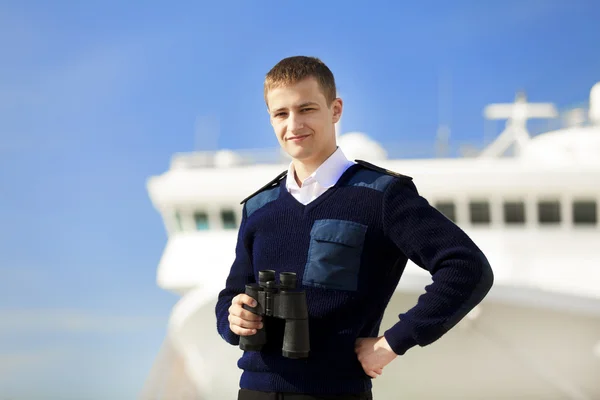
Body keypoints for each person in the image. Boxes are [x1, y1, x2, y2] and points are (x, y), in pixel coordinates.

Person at [215, 56, 494, 399]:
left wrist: (394, 341)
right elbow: (230, 295)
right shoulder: (258, 207)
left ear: (335, 110)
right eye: (281, 114)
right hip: (253, 392)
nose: (294, 124)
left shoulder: (382, 196)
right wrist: (233, 319)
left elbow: (467, 267)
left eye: (307, 109)